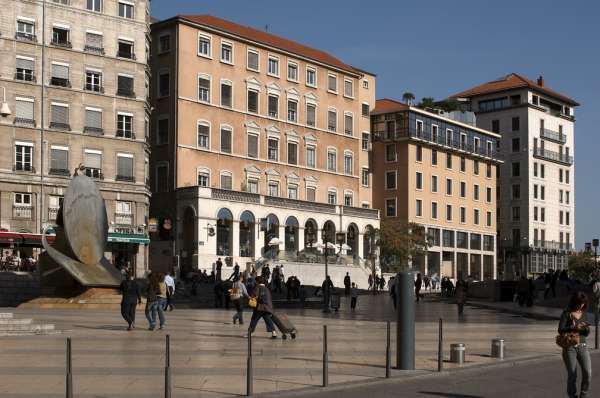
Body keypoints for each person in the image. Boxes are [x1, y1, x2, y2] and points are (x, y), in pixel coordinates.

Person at [558, 291, 592, 398]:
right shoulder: (566, 313)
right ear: (574, 302)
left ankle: (583, 394)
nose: (580, 305)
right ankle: (572, 396)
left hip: (583, 346)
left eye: (582, 303)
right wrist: (573, 328)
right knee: (573, 374)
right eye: (578, 303)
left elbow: (586, 334)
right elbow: (560, 330)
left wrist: (586, 328)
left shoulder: (584, 314)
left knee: (588, 373)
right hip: (570, 348)